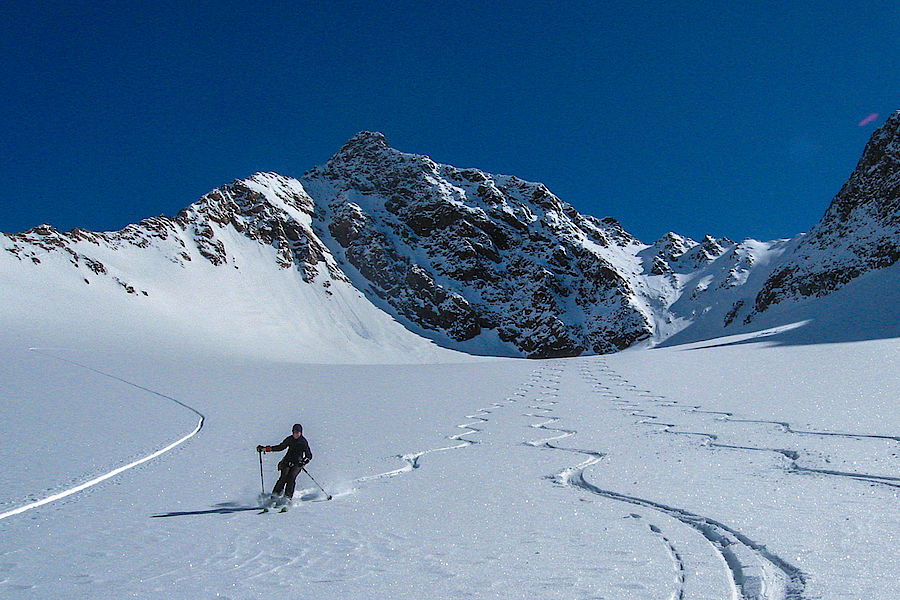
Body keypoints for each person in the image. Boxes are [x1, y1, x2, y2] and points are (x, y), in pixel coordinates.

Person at [257, 423, 312, 503]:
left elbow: (309, 455)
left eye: (297, 432)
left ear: (301, 433)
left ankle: (287, 497)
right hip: (287, 461)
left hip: (297, 463)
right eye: (294, 432)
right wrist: (265, 449)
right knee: (283, 477)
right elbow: (280, 447)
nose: (295, 434)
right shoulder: (290, 439)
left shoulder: (303, 442)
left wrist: (304, 462)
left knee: (291, 478)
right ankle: (275, 496)